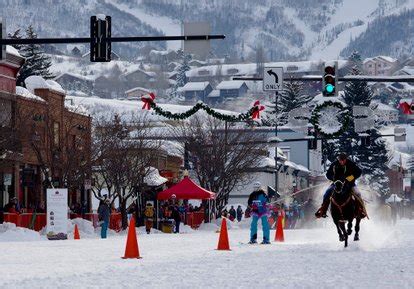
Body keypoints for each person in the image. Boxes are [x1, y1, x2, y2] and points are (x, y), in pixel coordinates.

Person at [315, 152, 366, 219]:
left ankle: (361, 211)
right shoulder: (334, 164)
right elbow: (328, 174)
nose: (341, 162)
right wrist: (334, 179)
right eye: (340, 160)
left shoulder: (351, 164)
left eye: (343, 160)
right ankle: (323, 211)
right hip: (336, 184)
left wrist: (350, 178)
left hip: (349, 184)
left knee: (358, 194)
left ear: (346, 159)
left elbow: (359, 172)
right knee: (326, 193)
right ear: (338, 159)